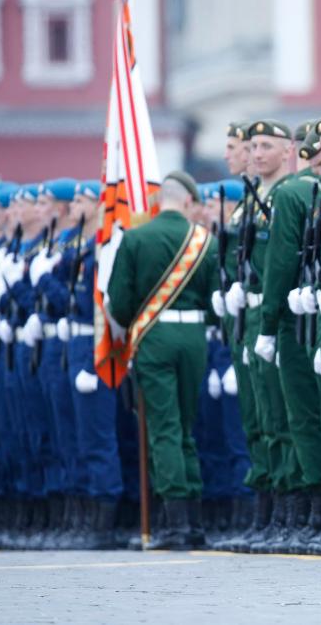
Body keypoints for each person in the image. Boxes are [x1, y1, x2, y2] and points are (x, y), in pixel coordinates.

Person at [107, 170, 217, 550]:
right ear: (188, 202)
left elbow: (119, 302)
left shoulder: (136, 238)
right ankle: (194, 522)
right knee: (186, 425)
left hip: (155, 338)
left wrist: (126, 323)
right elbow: (214, 299)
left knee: (164, 428)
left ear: (159, 202)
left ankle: (175, 525)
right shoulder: (205, 241)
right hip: (194, 337)